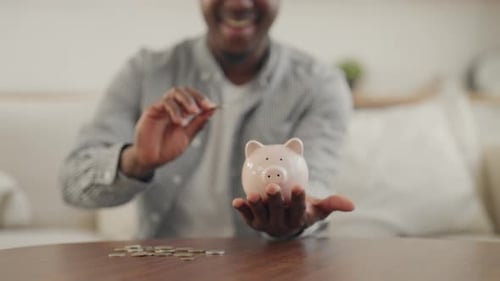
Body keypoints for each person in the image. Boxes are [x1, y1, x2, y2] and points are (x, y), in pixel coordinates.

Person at [60, 0, 354, 239]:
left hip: (275, 269)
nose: (239, 4)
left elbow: (314, 179)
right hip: (165, 267)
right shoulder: (145, 72)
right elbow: (73, 184)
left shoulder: (320, 84)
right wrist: (137, 161)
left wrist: (298, 217)